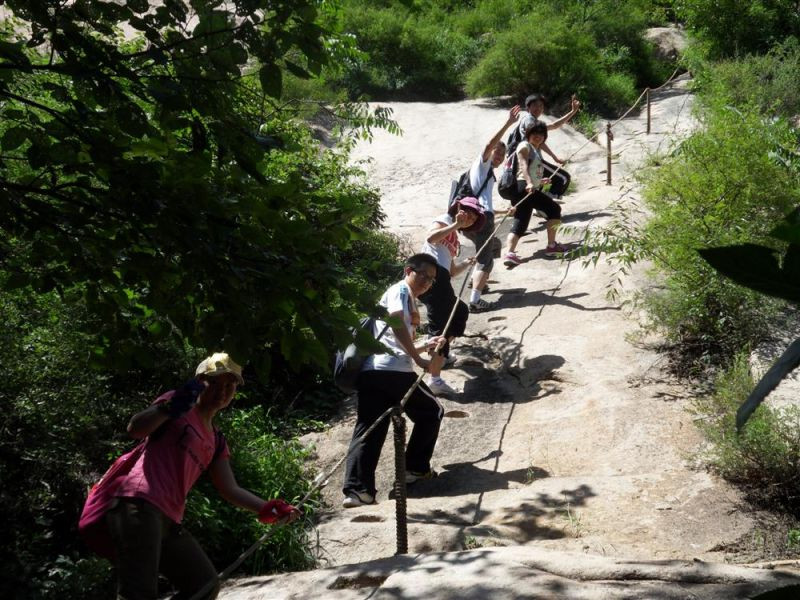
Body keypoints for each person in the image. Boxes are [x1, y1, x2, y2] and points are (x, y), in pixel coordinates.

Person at [79, 352, 300, 600]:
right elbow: (135, 428)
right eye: (214, 382)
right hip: (139, 503)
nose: (222, 390)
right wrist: (169, 408)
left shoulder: (216, 440)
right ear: (199, 382)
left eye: (230, 385)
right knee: (138, 593)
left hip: (169, 518)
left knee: (204, 585)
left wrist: (271, 508)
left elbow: (230, 489)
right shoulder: (177, 403)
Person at [342, 254, 446, 508]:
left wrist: (425, 345)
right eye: (423, 275)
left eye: (431, 279)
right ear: (408, 271)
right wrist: (418, 359)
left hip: (373, 372)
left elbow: (395, 339)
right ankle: (414, 468)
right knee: (432, 411)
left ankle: (358, 491)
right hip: (394, 371)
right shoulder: (400, 290)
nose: (427, 282)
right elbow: (397, 320)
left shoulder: (404, 296)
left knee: (370, 427)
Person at [418, 197, 485, 396]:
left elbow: (452, 270)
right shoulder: (444, 221)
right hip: (432, 277)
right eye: (469, 213)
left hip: (441, 278)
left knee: (460, 312)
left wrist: (466, 263)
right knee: (441, 329)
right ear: (458, 208)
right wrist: (455, 224)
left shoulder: (453, 237)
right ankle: (435, 379)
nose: (470, 219)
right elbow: (431, 238)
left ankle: (442, 354)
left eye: (474, 218)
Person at [462, 105, 521, 313]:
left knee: (494, 245)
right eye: (497, 152)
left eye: (502, 154)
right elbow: (488, 144)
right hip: (481, 220)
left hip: (469, 219)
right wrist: (508, 123)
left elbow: (482, 204)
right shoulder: (482, 164)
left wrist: (504, 212)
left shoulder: (485, 174)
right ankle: (475, 301)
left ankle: (478, 282)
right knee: (486, 262)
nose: (499, 156)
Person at [503, 121, 566, 266]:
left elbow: (530, 170)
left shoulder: (535, 150)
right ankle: (551, 246)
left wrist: (539, 181)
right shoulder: (525, 146)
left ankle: (509, 254)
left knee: (521, 221)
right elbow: (523, 165)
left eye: (541, 134)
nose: (538, 136)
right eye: (535, 133)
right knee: (554, 209)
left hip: (524, 188)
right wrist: (529, 183)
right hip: (524, 187)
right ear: (528, 134)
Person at [517, 93, 581, 200]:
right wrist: (554, 157)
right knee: (563, 178)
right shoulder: (529, 120)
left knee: (548, 180)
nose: (538, 108)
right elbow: (538, 141)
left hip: (534, 159)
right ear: (528, 107)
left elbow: (554, 125)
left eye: (541, 106)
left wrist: (573, 111)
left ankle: (545, 200)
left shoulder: (534, 121)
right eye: (535, 105)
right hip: (531, 160)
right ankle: (549, 200)